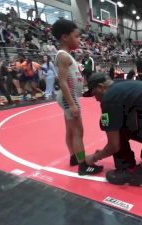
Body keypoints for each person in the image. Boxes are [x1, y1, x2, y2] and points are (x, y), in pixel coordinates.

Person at [51, 19, 103, 175]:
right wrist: (72, 104)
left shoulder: (67, 55)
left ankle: (74, 157)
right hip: (70, 98)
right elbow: (62, 81)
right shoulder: (63, 56)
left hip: (70, 97)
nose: (79, 40)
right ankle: (82, 164)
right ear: (65, 37)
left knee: (71, 130)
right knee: (78, 132)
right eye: (77, 36)